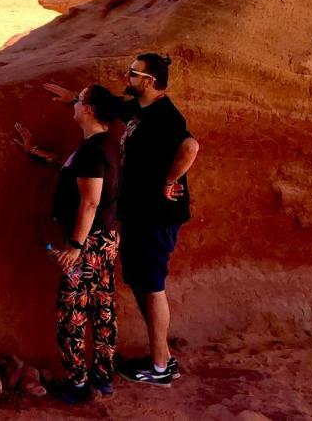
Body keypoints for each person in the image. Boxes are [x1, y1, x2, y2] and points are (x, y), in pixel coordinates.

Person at [42, 53, 200, 388]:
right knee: (143, 283)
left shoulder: (165, 116)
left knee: (152, 286)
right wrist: (74, 98)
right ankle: (162, 358)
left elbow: (190, 146)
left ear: (150, 81)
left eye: (133, 73)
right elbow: (108, 106)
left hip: (158, 216)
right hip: (141, 215)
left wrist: (169, 182)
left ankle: (160, 365)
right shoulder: (139, 109)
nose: (126, 77)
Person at [21, 85, 122, 404]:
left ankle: (78, 383)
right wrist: (42, 155)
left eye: (77, 101)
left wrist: (75, 247)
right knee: (102, 308)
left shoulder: (93, 150)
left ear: (89, 109)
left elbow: (89, 202)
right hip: (105, 238)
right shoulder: (104, 143)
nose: (73, 105)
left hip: (88, 243)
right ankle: (103, 378)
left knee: (72, 313)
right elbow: (79, 173)